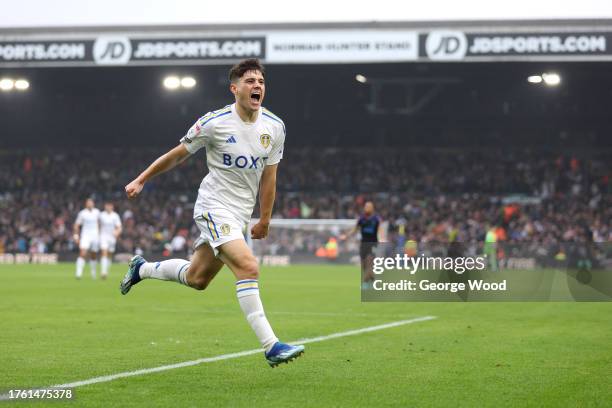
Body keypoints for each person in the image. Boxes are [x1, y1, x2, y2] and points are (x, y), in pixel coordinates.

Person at [119, 59, 304, 367]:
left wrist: (265, 218)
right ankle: (272, 346)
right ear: (235, 89)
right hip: (213, 207)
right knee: (248, 267)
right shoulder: (214, 123)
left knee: (197, 278)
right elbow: (178, 155)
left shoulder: (274, 127)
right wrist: (142, 179)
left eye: (260, 81)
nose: (257, 86)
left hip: (240, 214)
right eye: (249, 81)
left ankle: (142, 269)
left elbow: (270, 176)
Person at [341, 201, 381, 289]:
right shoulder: (361, 219)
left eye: (369, 206)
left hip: (373, 244)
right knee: (364, 266)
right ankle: (374, 281)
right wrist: (346, 235)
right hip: (363, 244)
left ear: (372, 208)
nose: (367, 208)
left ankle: (365, 283)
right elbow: (355, 229)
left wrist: (382, 239)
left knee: (370, 264)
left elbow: (380, 230)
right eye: (366, 206)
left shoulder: (376, 219)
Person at [73, 198, 100, 279]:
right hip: (85, 236)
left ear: (93, 204)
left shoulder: (97, 212)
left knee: (94, 255)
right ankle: (78, 273)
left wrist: (100, 235)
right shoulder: (82, 213)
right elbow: (76, 225)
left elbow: (99, 223)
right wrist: (76, 236)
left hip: (95, 236)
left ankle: (93, 272)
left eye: (91, 202)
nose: (90, 204)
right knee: (82, 253)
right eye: (88, 203)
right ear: (86, 204)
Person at [99, 202, 122, 279]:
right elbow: (98, 225)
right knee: (104, 253)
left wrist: (117, 232)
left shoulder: (115, 216)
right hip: (103, 237)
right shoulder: (101, 215)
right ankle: (103, 272)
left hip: (112, 237)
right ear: (105, 206)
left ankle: (106, 269)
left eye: (109, 206)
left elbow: (119, 227)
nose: (108, 207)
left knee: (110, 254)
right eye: (107, 205)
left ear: (112, 207)